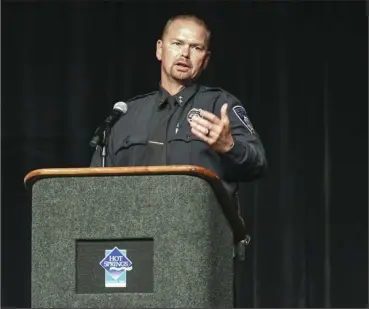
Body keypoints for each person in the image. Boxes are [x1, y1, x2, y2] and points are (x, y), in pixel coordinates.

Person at [90, 14, 267, 214]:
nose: (185, 54)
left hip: (200, 235)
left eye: (196, 47)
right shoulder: (126, 115)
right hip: (134, 237)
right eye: (177, 43)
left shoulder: (220, 106)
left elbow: (257, 164)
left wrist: (229, 146)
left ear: (206, 59)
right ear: (159, 49)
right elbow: (96, 188)